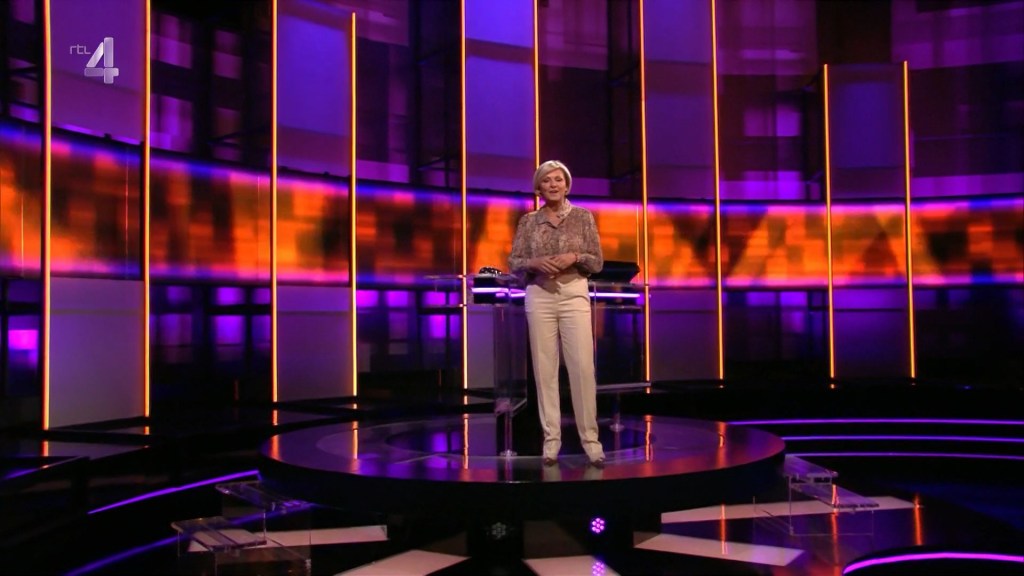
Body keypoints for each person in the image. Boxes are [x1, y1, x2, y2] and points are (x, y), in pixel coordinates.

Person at [508, 160, 605, 467]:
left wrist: (574, 256)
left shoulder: (583, 217)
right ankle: (551, 440)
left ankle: (591, 441)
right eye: (547, 180)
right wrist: (533, 263)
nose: (553, 184)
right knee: (545, 370)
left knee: (582, 368)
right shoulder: (528, 222)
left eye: (558, 179)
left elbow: (597, 261)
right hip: (540, 295)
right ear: (538, 187)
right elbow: (514, 262)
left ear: (567, 185)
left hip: (573, 293)